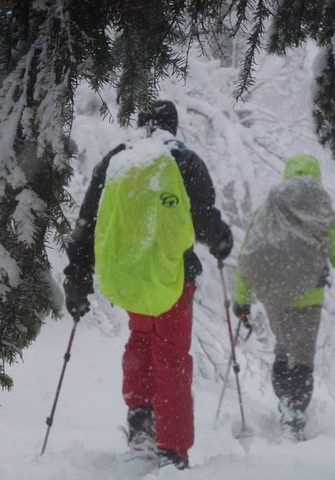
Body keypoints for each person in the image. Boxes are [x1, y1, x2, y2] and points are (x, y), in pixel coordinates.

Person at [63, 100, 232, 471]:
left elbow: (88, 222)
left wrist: (77, 277)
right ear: (172, 127)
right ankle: (172, 449)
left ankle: (142, 426)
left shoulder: (117, 160)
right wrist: (221, 239)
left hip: (130, 279)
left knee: (140, 341)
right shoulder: (183, 159)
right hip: (171, 278)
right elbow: (203, 219)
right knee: (171, 355)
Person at [233, 154, 335, 441]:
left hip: (273, 294)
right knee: (302, 354)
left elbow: (247, 256)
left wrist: (241, 299)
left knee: (283, 349)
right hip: (308, 294)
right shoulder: (319, 208)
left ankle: (284, 403)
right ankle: (295, 413)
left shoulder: (268, 208)